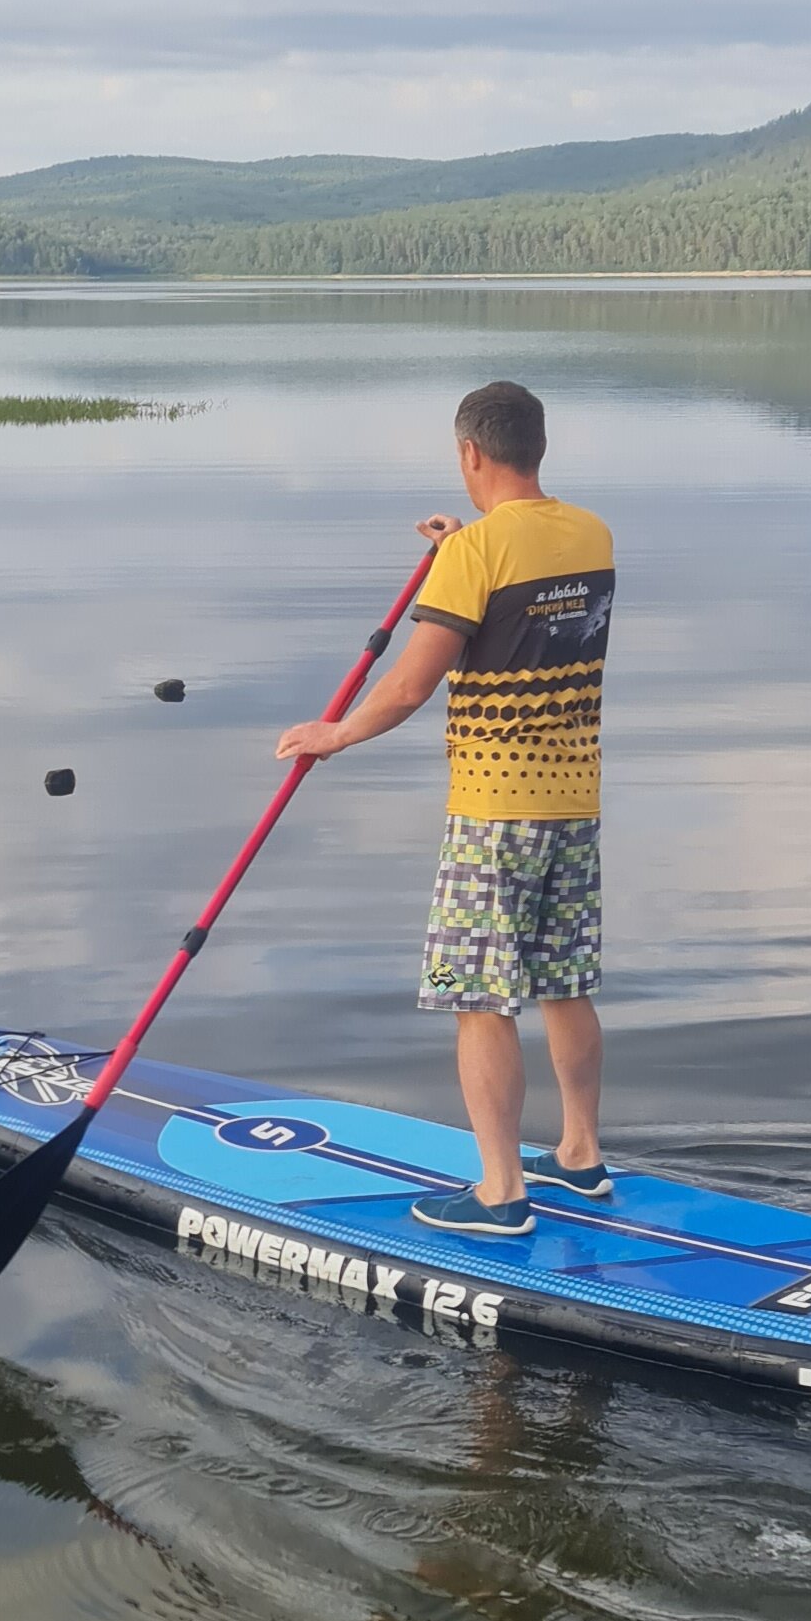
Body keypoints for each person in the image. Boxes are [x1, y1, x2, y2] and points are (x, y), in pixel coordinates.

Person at [275, 378, 612, 1237]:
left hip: (495, 808)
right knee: (563, 982)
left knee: (481, 998)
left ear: (470, 453)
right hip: (573, 799)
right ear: (538, 448)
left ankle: (500, 1193)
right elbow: (524, 597)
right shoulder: (589, 533)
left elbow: (410, 684)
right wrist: (463, 548)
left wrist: (334, 734)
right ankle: (580, 1155)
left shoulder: (476, 556)